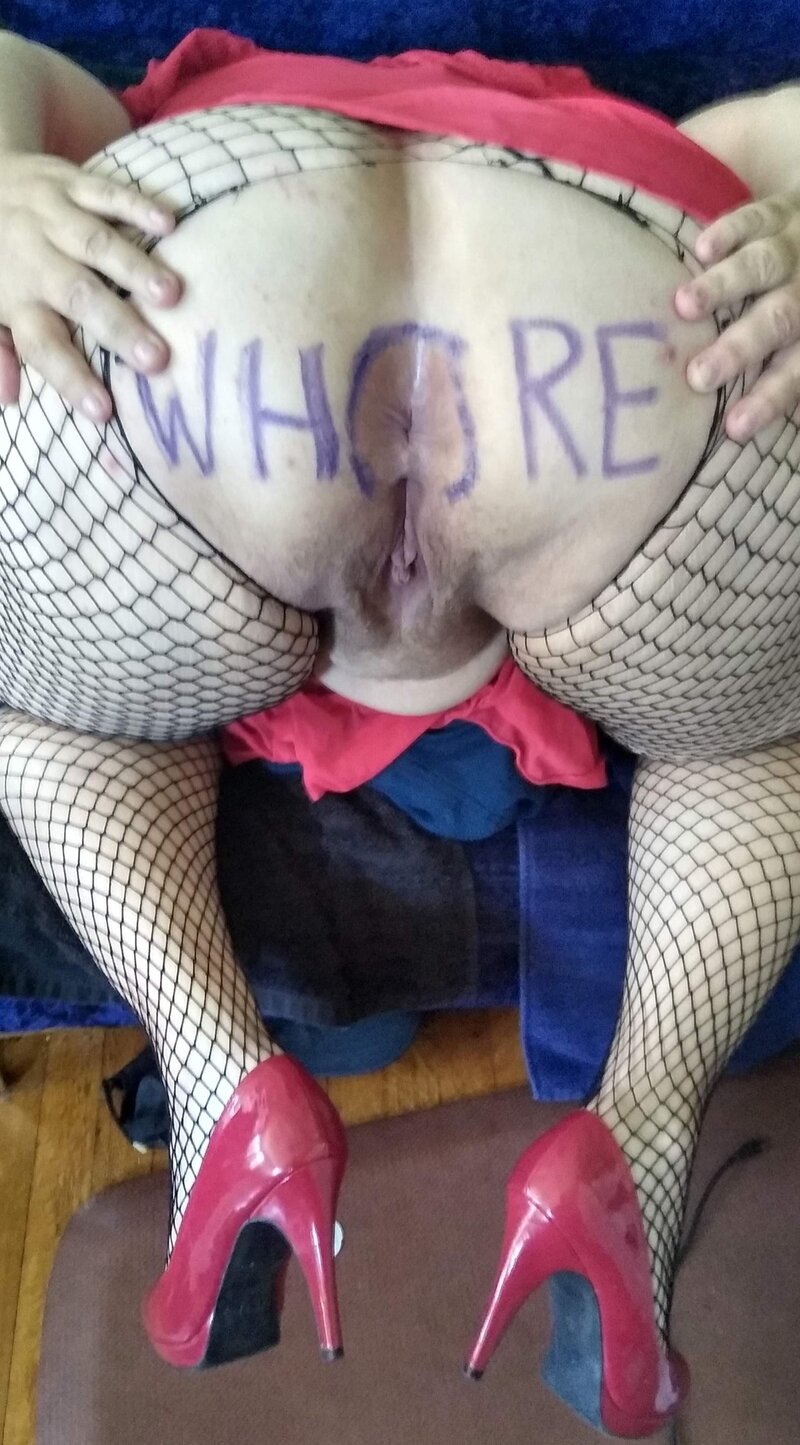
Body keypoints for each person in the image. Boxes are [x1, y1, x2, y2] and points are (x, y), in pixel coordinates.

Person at [0, 24, 799, 1437]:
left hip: (199, 342)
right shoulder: (615, 137)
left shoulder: (184, 101)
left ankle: (218, 1073)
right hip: (628, 358)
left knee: (60, 718)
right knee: (753, 744)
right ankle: (643, 1131)